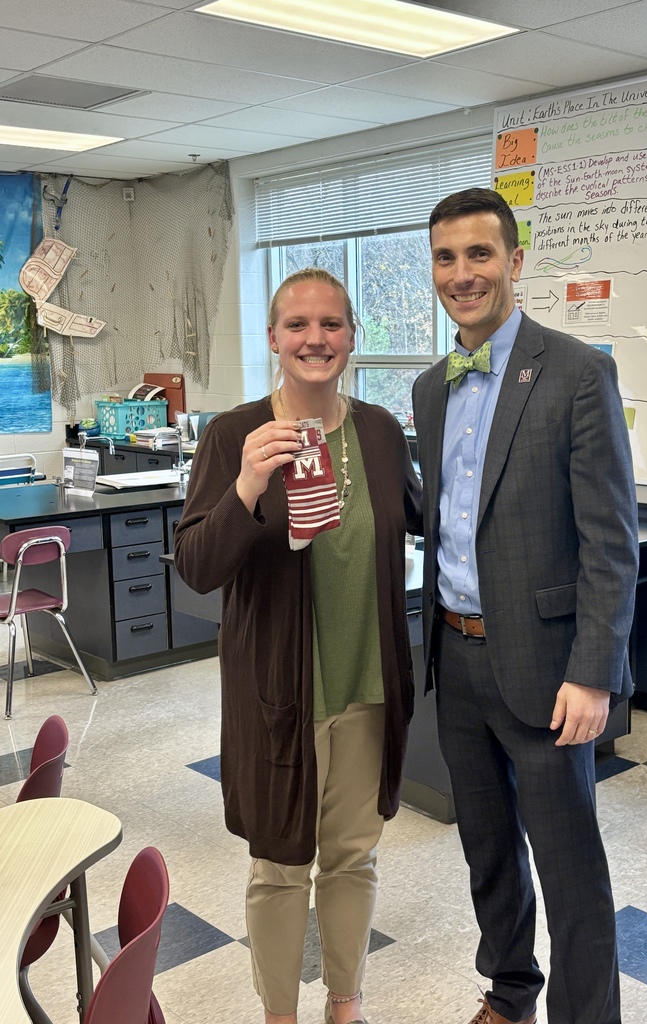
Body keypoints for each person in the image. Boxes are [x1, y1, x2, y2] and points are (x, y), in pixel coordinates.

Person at [411, 188, 638, 1024]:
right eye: (445, 258)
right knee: (489, 853)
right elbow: (445, 517)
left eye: (478, 254)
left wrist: (594, 671)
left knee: (570, 866)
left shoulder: (577, 371)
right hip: (457, 655)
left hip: (549, 669)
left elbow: (611, 541)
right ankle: (510, 992)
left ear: (514, 260)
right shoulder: (431, 389)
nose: (462, 274)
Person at [174, 267, 422, 1024]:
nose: (316, 339)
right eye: (299, 326)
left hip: (369, 685)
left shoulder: (378, 430)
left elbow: (425, 517)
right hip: (280, 692)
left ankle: (345, 1002)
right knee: (281, 863)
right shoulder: (232, 434)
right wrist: (248, 484)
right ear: (275, 339)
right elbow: (196, 566)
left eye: (332, 324)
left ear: (353, 336)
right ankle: (279, 1012)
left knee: (353, 855)